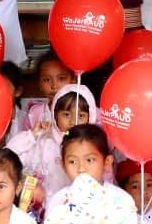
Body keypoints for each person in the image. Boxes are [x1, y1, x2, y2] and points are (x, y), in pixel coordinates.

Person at [7, 83, 96, 211]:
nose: (73, 122)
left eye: (81, 116)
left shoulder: (93, 148)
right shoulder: (44, 142)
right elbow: (9, 156)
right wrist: (32, 135)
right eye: (66, 114)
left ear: (90, 117)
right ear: (55, 115)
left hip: (77, 217)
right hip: (42, 213)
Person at [21, 50, 74, 132]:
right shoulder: (34, 114)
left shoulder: (86, 112)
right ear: (39, 84)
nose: (54, 86)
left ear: (73, 80)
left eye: (61, 78)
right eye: (47, 80)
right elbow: (25, 142)